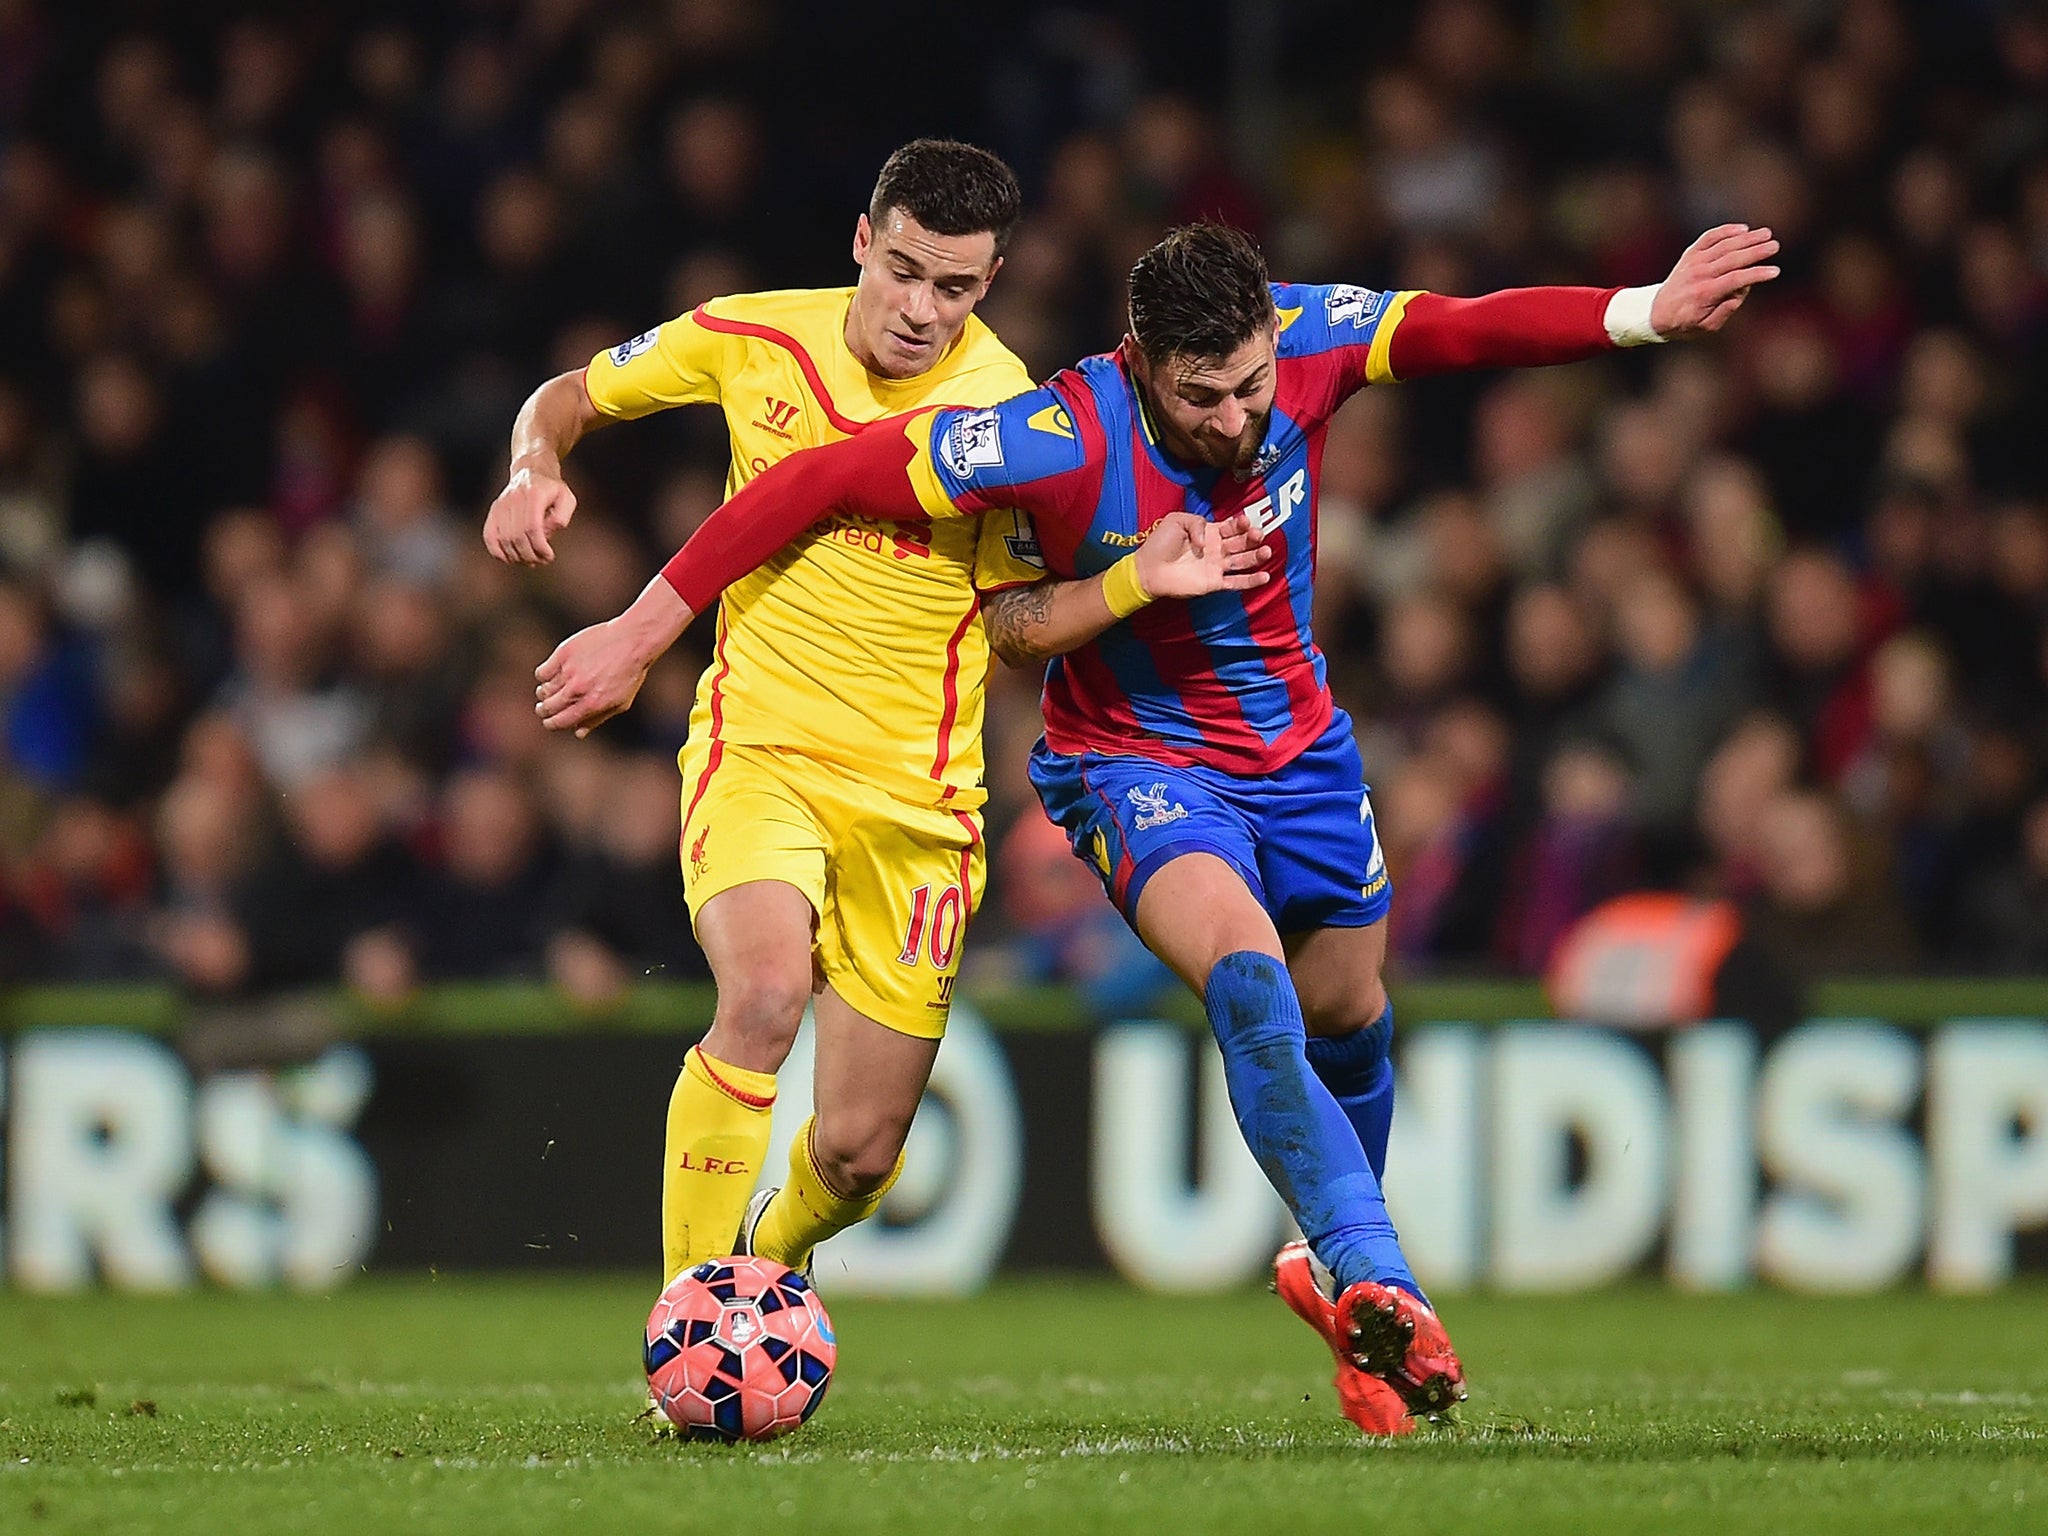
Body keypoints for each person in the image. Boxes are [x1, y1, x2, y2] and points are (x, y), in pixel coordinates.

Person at [534, 220, 1779, 1434]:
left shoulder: (1299, 339)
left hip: (1300, 757)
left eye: (1248, 389)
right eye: (1202, 399)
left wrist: (1640, 313)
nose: (1237, 419)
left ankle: (1324, 1260)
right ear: (1139, 362)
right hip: (1130, 762)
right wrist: (646, 631)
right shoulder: (1047, 434)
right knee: (1247, 979)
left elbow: (1461, 329)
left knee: (1349, 1010)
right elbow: (880, 527)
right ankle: (1369, 1269)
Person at [482, 141, 1266, 1294]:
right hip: (760, 749)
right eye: (902, 270)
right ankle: (691, 1324)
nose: (918, 308)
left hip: (918, 803)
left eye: (953, 287)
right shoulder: (747, 335)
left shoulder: (1012, 414)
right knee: (758, 996)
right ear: (863, 238)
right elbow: (564, 400)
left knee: (856, 1154)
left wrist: (1134, 580)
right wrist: (528, 466)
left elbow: (1012, 625)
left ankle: (759, 1263)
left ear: (989, 281)